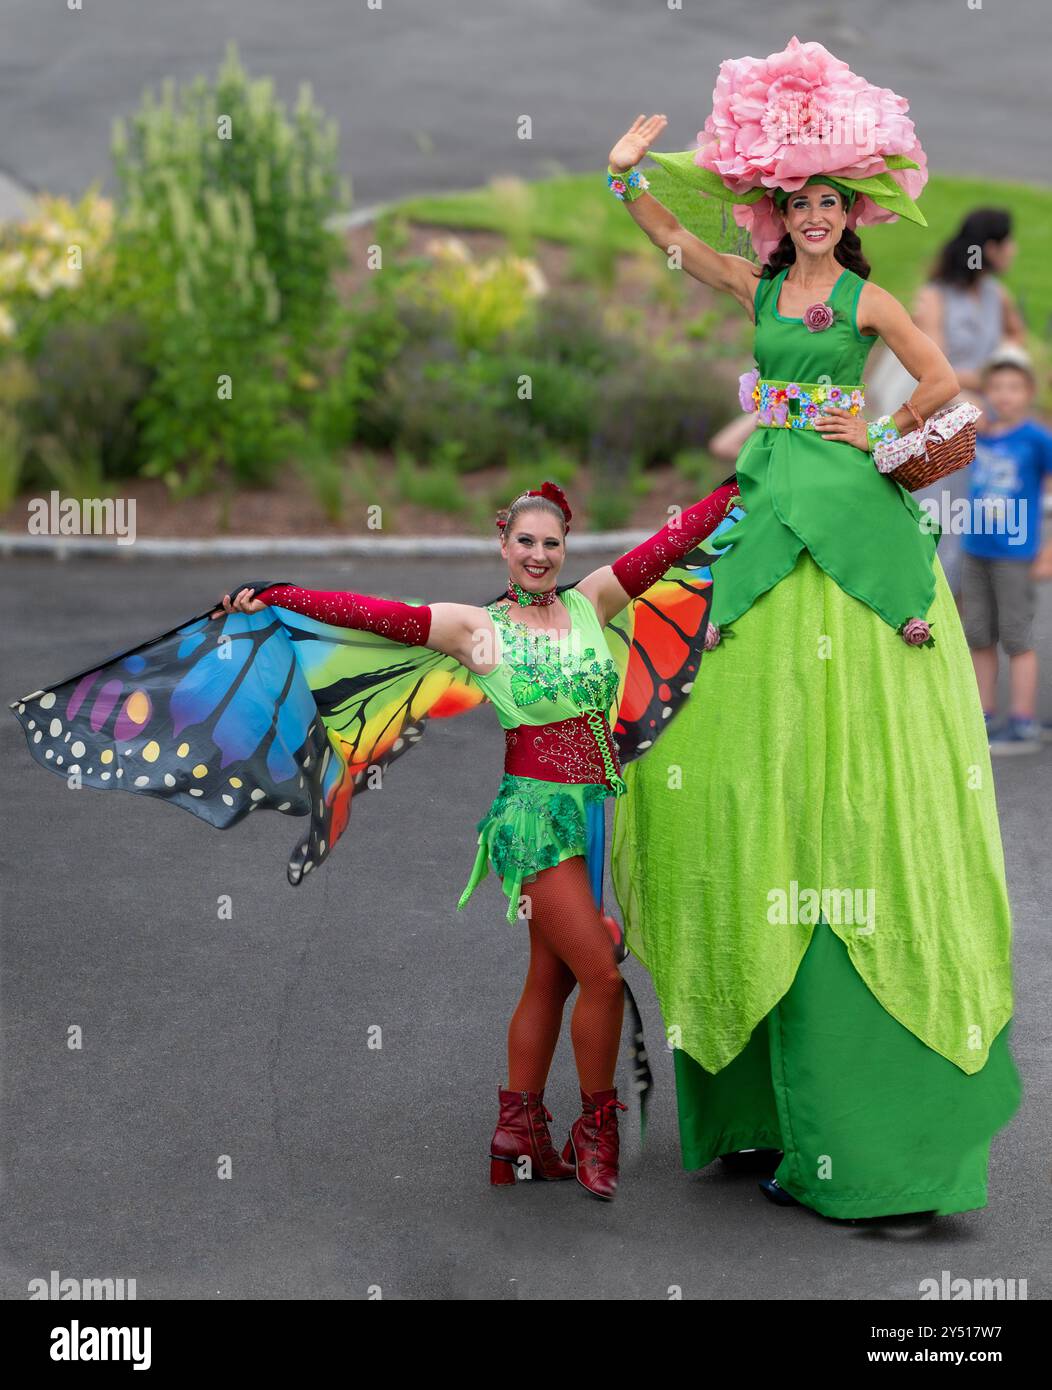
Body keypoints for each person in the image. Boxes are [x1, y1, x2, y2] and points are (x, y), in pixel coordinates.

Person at [11, 477, 739, 1203]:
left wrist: (740, 482)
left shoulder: (592, 603)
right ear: (503, 543)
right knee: (603, 975)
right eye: (526, 542)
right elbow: (373, 615)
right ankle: (594, 1131)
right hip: (535, 821)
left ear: (566, 548)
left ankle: (516, 1136)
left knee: (551, 979)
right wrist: (280, 596)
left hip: (591, 813)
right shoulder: (476, 628)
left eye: (552, 543)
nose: (540, 556)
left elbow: (668, 544)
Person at [604, 36, 1021, 1222]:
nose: (818, 218)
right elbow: (679, 250)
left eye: (831, 202)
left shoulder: (865, 300)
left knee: (842, 757)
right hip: (763, 496)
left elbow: (942, 381)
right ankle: (753, 1088)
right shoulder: (756, 285)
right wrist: (624, 180)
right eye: (800, 204)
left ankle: (852, 1112)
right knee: (716, 730)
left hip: (838, 496)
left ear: (850, 213)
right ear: (779, 215)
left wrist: (874, 436)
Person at [870, 208, 1025, 597]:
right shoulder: (935, 296)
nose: (1015, 250)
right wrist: (979, 385)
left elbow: (1015, 340)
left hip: (976, 417)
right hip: (937, 416)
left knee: (963, 519)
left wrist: (998, 378)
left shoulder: (997, 295)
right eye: (1008, 242)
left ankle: (946, 610)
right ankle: (916, 598)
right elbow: (936, 363)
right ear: (991, 248)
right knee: (931, 510)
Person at [960, 346, 1052, 753]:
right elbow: (953, 397)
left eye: (1014, 387)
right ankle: (981, 716)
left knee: (1017, 640)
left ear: (1029, 391)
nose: (1004, 395)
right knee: (979, 635)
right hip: (976, 549)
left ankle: (1023, 722)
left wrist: (1047, 551)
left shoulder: (1036, 438)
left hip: (1016, 554)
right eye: (996, 386)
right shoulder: (982, 429)